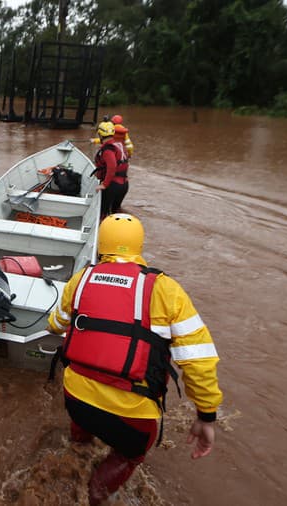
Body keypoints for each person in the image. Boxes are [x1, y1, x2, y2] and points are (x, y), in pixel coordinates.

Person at [47, 214, 222, 505]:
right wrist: (206, 416)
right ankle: (96, 493)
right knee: (129, 454)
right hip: (131, 417)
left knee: (82, 427)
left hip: (76, 400)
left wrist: (51, 325)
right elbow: (198, 360)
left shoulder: (82, 279)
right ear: (139, 244)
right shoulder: (165, 289)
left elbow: (56, 323)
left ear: (101, 244)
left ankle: (78, 447)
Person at [92, 122, 130, 217]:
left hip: (112, 186)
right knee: (115, 214)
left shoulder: (108, 149)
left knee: (103, 215)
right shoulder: (119, 145)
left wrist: (104, 185)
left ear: (100, 134)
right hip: (124, 185)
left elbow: (112, 167)